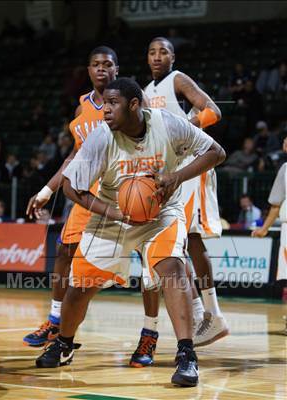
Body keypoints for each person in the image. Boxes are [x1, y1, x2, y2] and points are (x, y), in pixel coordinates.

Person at [35, 78, 226, 388]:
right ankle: (64, 342)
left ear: (134, 105)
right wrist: (114, 212)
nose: (106, 110)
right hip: (112, 215)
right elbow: (71, 187)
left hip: (161, 212)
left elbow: (216, 152)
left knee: (173, 270)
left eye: (113, 104)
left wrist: (175, 177)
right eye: (104, 104)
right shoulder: (101, 138)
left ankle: (186, 355)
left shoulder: (168, 124)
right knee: (79, 288)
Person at [130, 37, 229, 368]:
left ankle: (212, 314)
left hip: (193, 164)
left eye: (163, 51)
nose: (157, 57)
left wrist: (185, 127)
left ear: (173, 56)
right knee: (177, 245)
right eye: (152, 52)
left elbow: (212, 111)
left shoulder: (178, 80)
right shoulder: (144, 91)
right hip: (168, 173)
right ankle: (204, 317)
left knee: (191, 238)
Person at [23, 46, 119, 347]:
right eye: (95, 64)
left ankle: (153, 332)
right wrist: (46, 190)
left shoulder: (127, 101)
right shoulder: (82, 109)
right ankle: (54, 321)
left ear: (116, 69)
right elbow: (74, 157)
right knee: (65, 252)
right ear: (88, 70)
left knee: (155, 268)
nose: (101, 69)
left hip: (122, 194)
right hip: (86, 194)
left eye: (107, 64)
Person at [252, 139, 287, 282]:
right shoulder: (285, 168)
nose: (284, 143)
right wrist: (264, 228)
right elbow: (276, 204)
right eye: (284, 141)